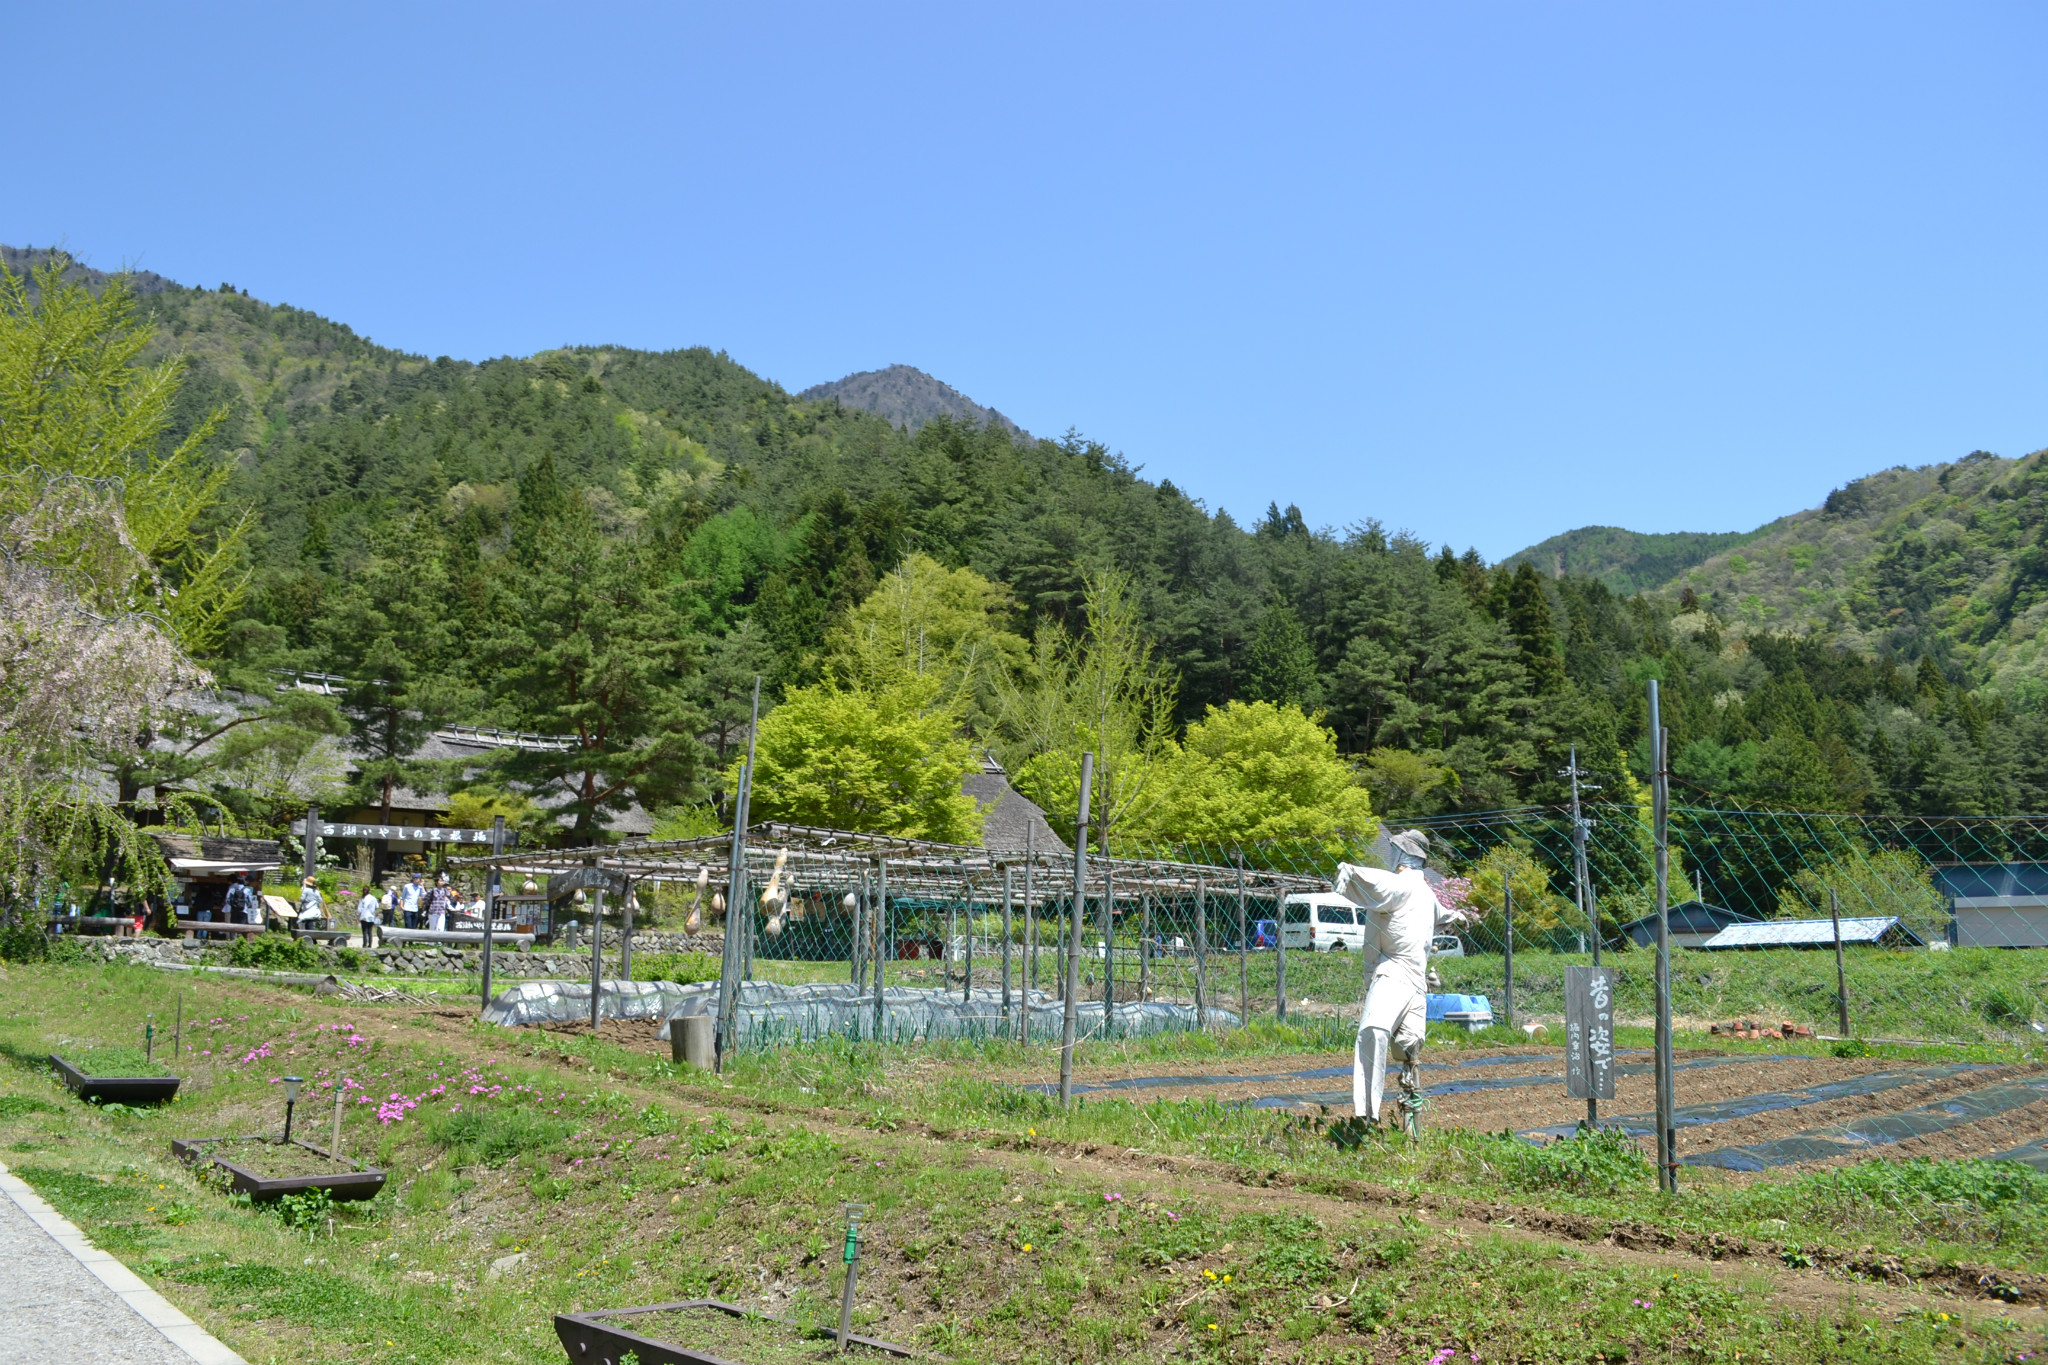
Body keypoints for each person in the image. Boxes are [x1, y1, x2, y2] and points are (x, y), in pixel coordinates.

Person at [1331, 829, 1473, 1137]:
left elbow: (1386, 886)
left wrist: (1351, 873)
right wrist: (1354, 875)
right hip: (1402, 976)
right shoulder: (1412, 889)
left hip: (1405, 978)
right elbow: (1381, 884)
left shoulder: (1412, 889)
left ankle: (1392, 1119)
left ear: (1402, 855)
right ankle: (1377, 1118)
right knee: (1387, 1038)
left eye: (1395, 851)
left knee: (1392, 1039)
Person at [357, 882, 382, 948]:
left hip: (364, 916)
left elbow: (359, 909)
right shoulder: (373, 898)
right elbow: (377, 906)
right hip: (371, 916)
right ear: (369, 891)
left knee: (364, 931)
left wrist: (357, 916)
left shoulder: (362, 899)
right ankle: (370, 944)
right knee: (370, 931)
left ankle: (364, 944)